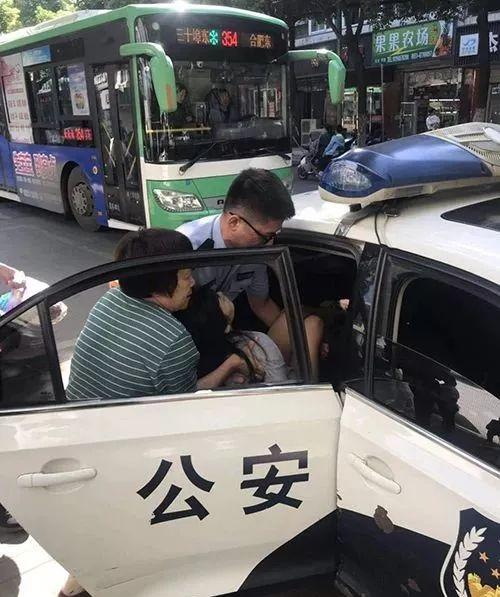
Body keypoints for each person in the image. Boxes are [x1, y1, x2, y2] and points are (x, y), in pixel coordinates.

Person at [66, 229, 252, 401]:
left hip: (73, 407)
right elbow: (185, 401)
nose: (192, 283)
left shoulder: (111, 298)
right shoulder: (173, 339)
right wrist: (232, 364)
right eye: (186, 277)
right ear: (163, 283)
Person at [177, 168, 324, 380]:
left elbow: (261, 305)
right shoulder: (188, 247)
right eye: (266, 237)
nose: (270, 244)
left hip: (228, 336)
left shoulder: (255, 252)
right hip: (189, 347)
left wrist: (297, 342)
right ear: (234, 223)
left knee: (310, 325)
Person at [176, 285, 290, 385]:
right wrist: (233, 364)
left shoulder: (184, 357)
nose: (221, 293)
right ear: (226, 327)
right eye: (219, 299)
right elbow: (279, 389)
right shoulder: (257, 344)